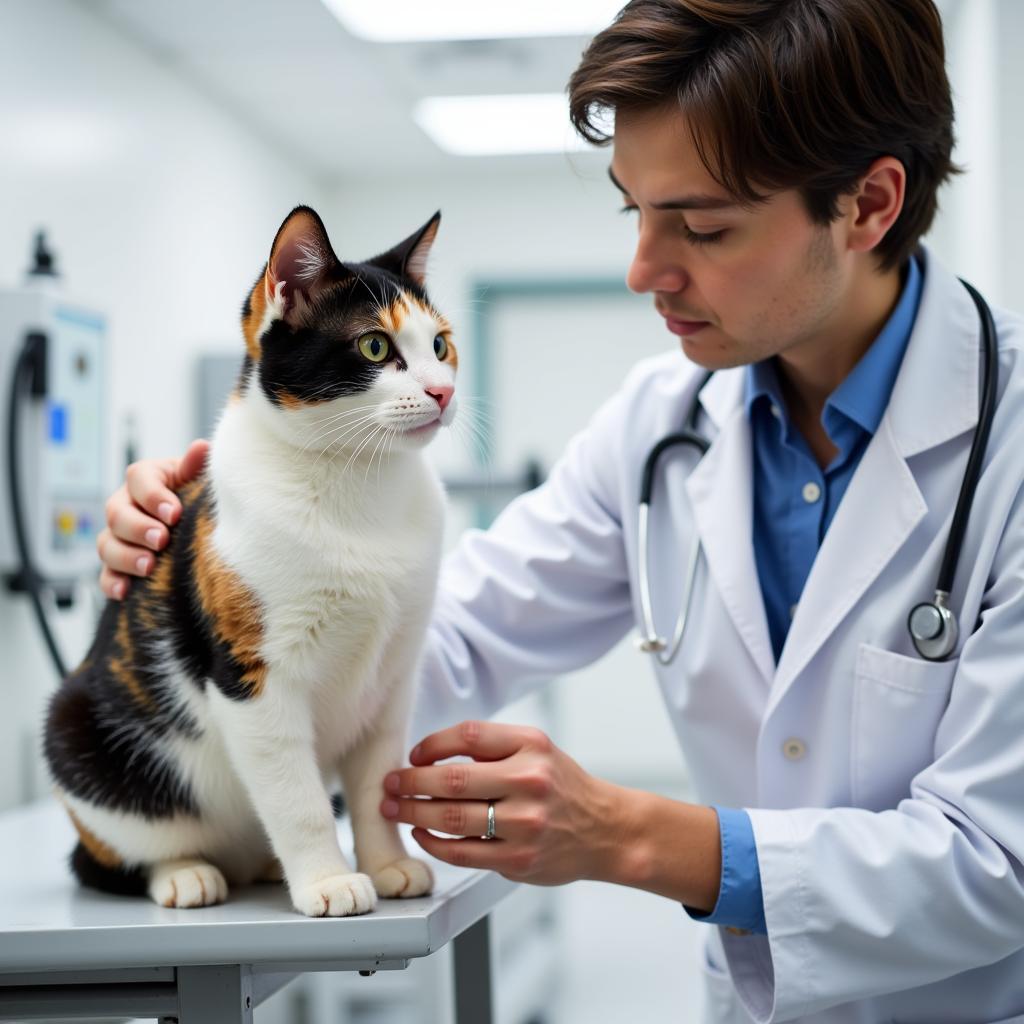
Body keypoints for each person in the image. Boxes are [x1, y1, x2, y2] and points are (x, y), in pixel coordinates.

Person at [96, 1, 1024, 1020]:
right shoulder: (658, 428)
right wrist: (224, 584)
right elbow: (425, 646)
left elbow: (997, 857)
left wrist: (626, 835)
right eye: (635, 211)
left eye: (703, 226)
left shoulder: (1005, 444)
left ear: (868, 204)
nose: (644, 272)